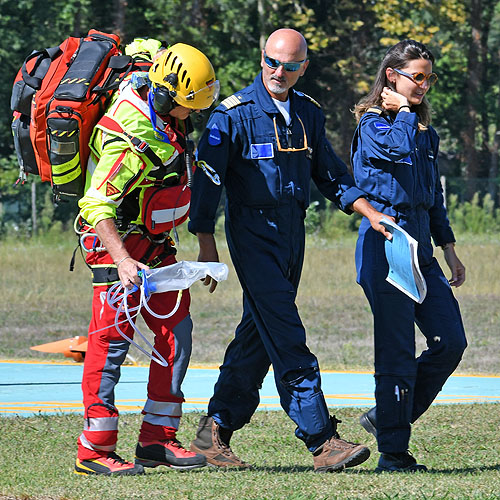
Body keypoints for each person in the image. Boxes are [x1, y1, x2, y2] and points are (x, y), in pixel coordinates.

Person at [187, 28, 391, 473]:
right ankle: (321, 439)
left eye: (290, 65)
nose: (279, 72)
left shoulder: (307, 114)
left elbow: (331, 174)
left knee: (259, 333)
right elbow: (207, 183)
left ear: (304, 67)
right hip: (252, 236)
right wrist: (206, 242)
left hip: (292, 236)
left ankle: (213, 431)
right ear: (261, 59)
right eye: (271, 62)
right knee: (285, 331)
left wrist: (368, 212)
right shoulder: (231, 115)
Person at [74, 39, 220, 476]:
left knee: (177, 330)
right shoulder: (129, 138)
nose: (193, 115)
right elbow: (95, 205)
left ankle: (157, 440)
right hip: (113, 243)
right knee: (111, 340)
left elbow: (152, 49)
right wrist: (121, 260)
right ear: (163, 96)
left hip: (155, 243)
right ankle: (94, 450)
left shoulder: (163, 96)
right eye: (186, 107)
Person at [351, 39, 467, 472]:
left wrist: (450, 250)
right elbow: (395, 151)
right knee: (396, 352)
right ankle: (394, 453)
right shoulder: (373, 125)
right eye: (416, 77)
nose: (423, 85)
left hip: (422, 249)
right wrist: (400, 111)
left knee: (451, 341)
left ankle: (386, 419)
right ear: (391, 77)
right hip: (386, 247)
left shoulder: (424, 131)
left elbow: (433, 199)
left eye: (427, 78)